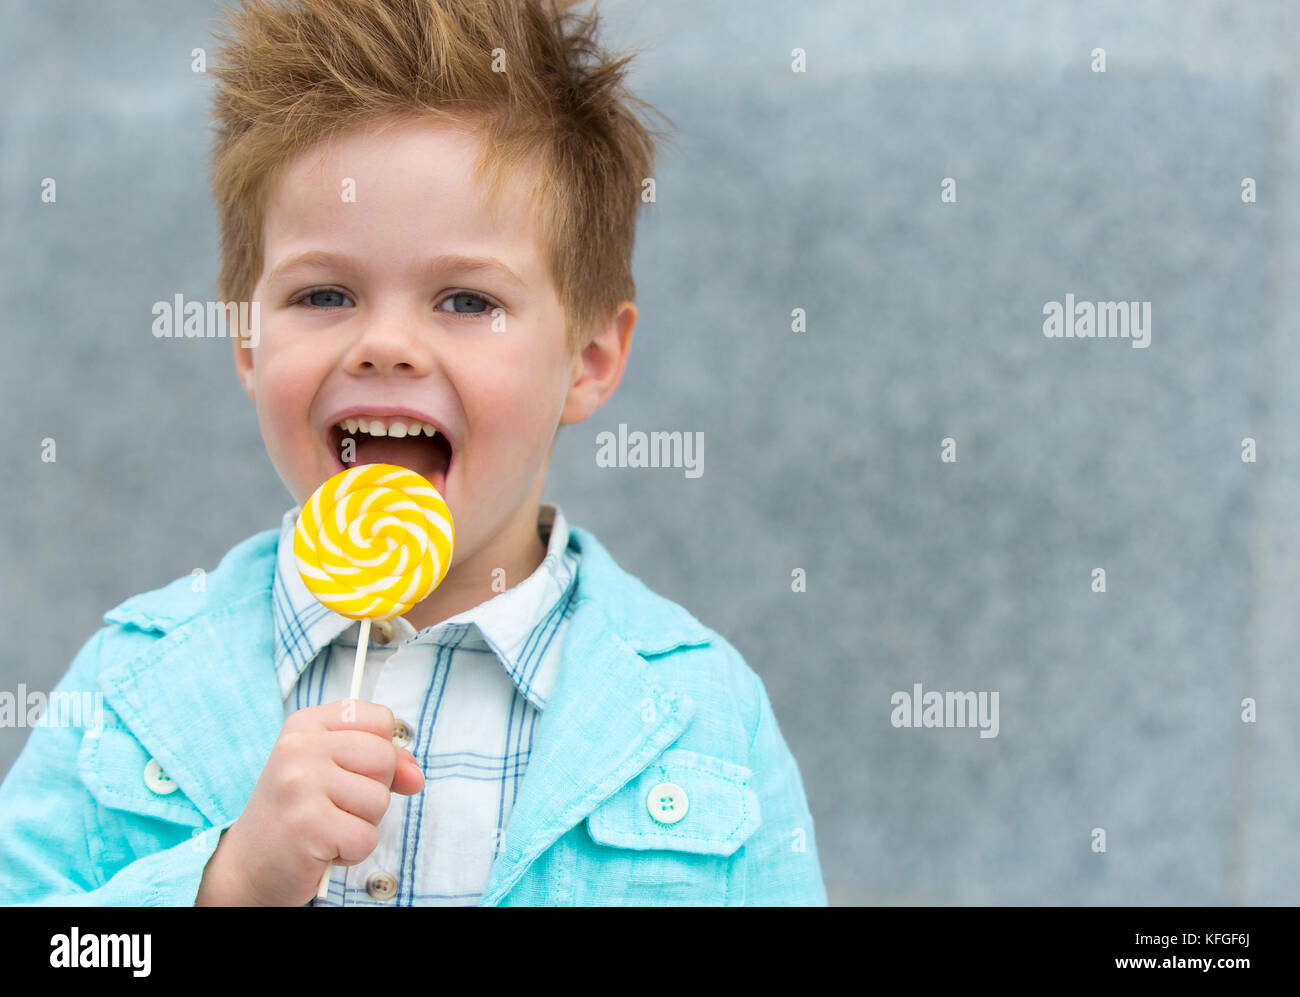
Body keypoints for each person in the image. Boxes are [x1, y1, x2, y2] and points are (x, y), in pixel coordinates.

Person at [0, 0, 827, 906]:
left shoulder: (702, 715)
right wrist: (221, 885)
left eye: (466, 301)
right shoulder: (131, 685)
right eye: (324, 294)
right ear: (246, 341)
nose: (384, 343)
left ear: (589, 360)